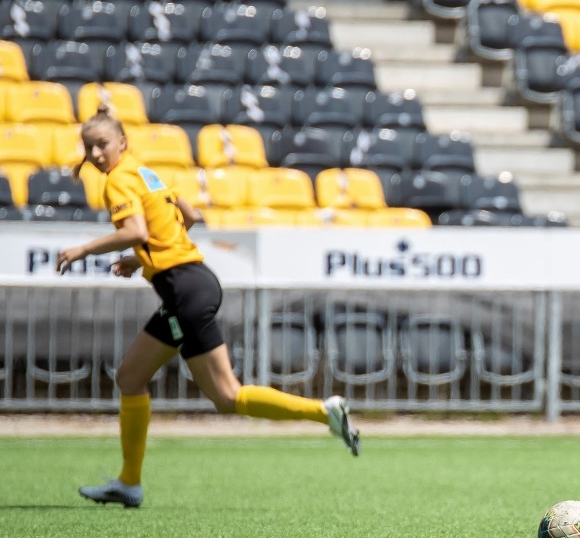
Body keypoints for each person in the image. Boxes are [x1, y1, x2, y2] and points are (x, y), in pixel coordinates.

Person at [56, 107, 360, 509]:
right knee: (132, 377)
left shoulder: (117, 181)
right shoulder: (146, 173)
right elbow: (190, 215)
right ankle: (128, 482)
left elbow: (135, 230)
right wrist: (142, 258)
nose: (95, 154)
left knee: (226, 394)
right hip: (193, 284)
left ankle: (324, 412)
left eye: (102, 144)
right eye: (89, 146)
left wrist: (83, 249)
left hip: (185, 292)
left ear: (122, 143)